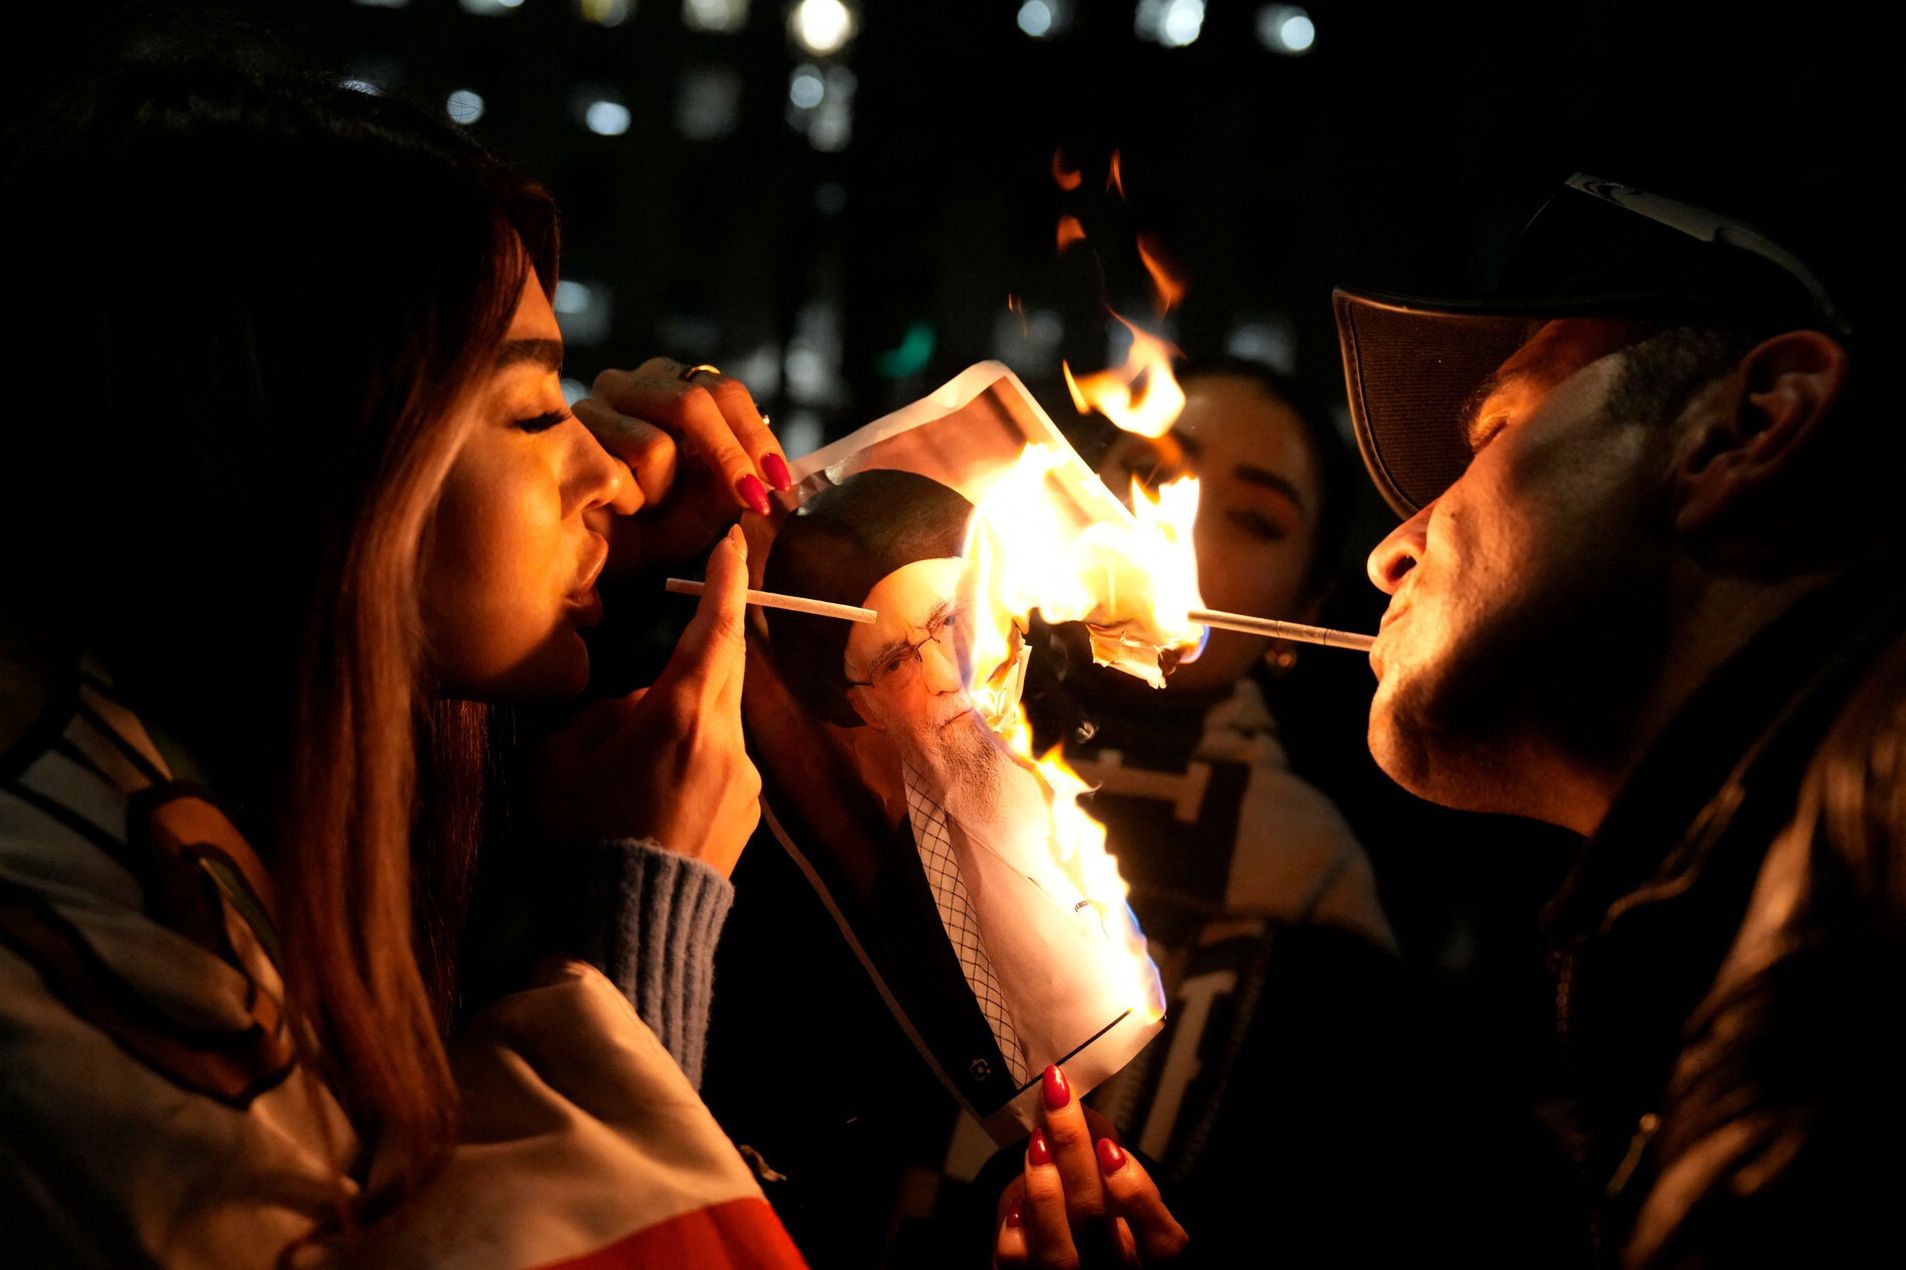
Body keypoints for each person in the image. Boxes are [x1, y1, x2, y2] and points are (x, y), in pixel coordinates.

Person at [0, 52, 802, 1265]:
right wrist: (637, 926)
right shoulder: (77, 914)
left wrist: (605, 622)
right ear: (298, 449)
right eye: (537, 412)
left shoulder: (157, 762)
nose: (611, 470)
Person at [1335, 172, 1906, 1264]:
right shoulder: (1688, 963)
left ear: (1746, 425)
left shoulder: (1886, 798)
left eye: (1491, 432)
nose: (1387, 550)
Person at [1066, 362, 1398, 1177]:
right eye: (1146, 474)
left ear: (1301, 612)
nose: (1165, 535)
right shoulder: (877, 729)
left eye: (1252, 518)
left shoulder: (1312, 895)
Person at [761, 468, 1141, 1101]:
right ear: (865, 708)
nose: (944, 673)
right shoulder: (898, 903)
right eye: (894, 662)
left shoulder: (1142, 774)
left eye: (955, 619)